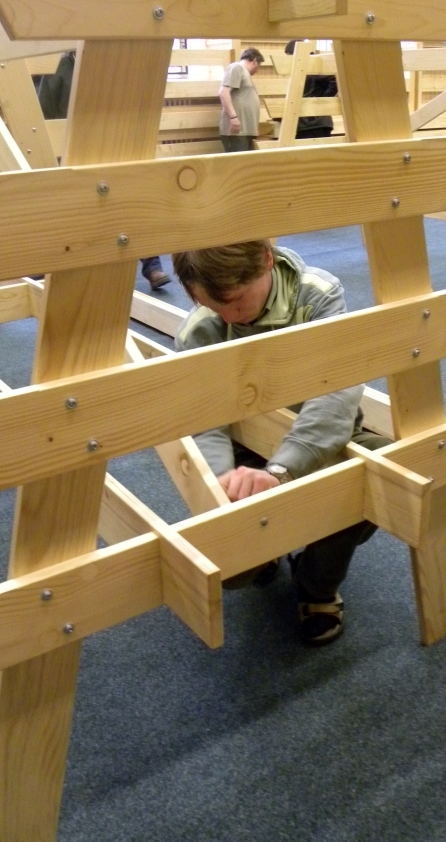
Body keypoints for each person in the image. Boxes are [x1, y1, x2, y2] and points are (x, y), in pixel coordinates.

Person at [172, 239, 390, 646]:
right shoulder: (199, 328)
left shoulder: (317, 295)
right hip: (245, 453)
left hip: (318, 443)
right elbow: (206, 423)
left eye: (236, 300)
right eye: (213, 306)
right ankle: (267, 552)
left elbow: (335, 396)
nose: (228, 316)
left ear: (266, 260)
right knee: (233, 567)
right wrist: (222, 484)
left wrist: (282, 471)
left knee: (384, 469)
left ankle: (315, 584)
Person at [36, 51, 172, 290]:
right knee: (69, 210)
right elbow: (44, 112)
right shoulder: (60, 67)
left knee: (129, 202)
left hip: (111, 143)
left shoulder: (110, 62)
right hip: (72, 149)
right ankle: (51, 266)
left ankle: (152, 266)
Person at [284, 39, 338, 139]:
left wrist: (322, 99)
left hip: (314, 123)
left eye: (289, 56)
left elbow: (334, 79)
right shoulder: (306, 66)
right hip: (309, 123)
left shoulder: (313, 65)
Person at [218, 48, 265, 152]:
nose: (257, 70)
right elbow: (223, 92)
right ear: (255, 61)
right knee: (237, 161)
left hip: (245, 131)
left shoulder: (244, 72)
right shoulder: (237, 68)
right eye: (259, 65)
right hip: (237, 132)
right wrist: (233, 117)